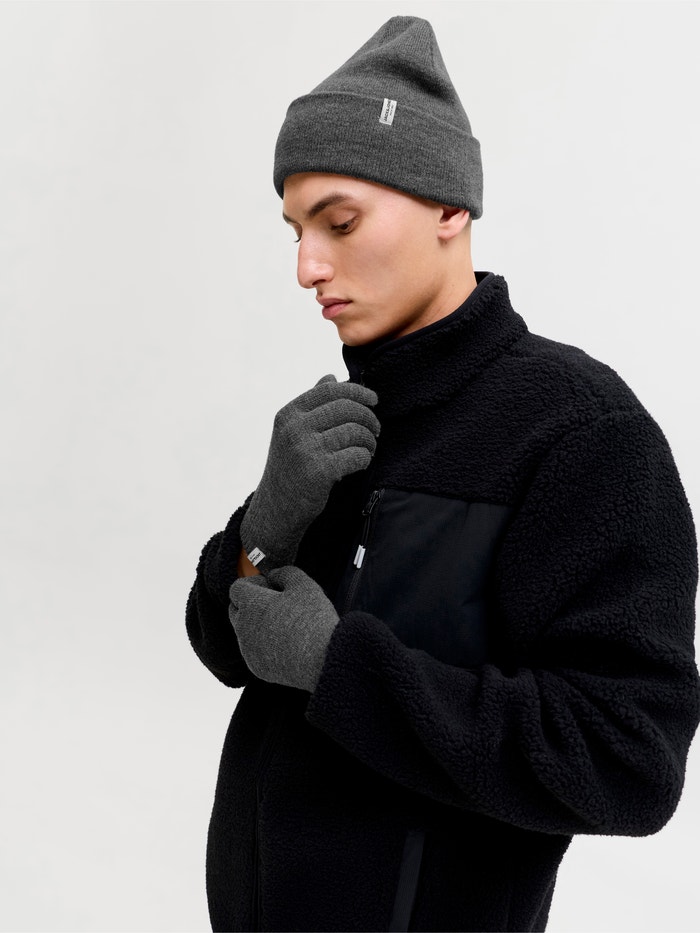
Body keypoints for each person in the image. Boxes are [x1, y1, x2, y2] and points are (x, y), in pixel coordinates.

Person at [186, 16, 700, 932]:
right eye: (295, 230)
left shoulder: (581, 432)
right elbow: (227, 647)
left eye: (340, 221)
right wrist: (266, 523)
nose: (306, 266)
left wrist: (339, 666)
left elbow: (628, 759)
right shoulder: (341, 422)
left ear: (449, 208)